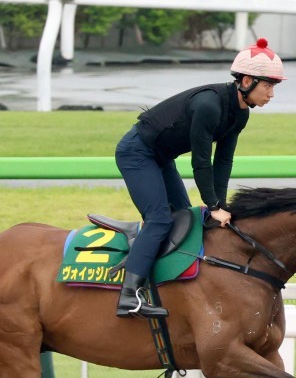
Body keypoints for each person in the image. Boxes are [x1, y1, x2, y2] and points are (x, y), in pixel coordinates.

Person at [113, 37, 286, 318]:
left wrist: (220, 204)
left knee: (185, 217)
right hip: (137, 152)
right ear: (245, 81)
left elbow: (223, 161)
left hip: (161, 157)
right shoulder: (209, 106)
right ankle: (128, 296)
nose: (271, 94)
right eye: (268, 86)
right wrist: (213, 206)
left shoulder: (240, 115)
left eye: (273, 87)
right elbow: (201, 161)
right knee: (159, 219)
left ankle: (167, 286)